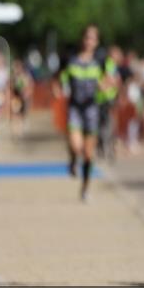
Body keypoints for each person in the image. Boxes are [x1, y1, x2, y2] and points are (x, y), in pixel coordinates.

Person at [56, 25, 116, 202]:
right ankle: (73, 159)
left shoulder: (102, 59)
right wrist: (57, 88)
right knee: (76, 146)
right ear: (81, 39)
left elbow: (111, 81)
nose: (89, 41)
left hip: (92, 109)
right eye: (86, 38)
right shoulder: (70, 58)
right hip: (75, 107)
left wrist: (104, 85)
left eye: (92, 38)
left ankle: (85, 188)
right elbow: (59, 78)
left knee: (89, 155)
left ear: (97, 41)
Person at [10, 58, 33, 138]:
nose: (16, 69)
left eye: (18, 67)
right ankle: (16, 131)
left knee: (22, 114)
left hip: (23, 98)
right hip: (16, 98)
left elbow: (30, 86)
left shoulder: (25, 76)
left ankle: (20, 129)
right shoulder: (14, 77)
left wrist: (26, 93)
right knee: (16, 114)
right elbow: (11, 87)